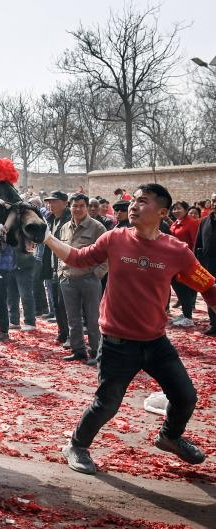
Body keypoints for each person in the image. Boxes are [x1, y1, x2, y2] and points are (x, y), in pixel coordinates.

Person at [43, 184, 216, 475]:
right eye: (133, 200)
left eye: (142, 201)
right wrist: (47, 237)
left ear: (162, 212)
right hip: (117, 344)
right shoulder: (114, 238)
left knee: (185, 396)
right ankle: (76, 445)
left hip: (156, 342)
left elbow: (208, 286)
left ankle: (169, 436)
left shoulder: (177, 251)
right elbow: (78, 258)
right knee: (107, 404)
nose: (133, 206)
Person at [56, 193, 106, 364]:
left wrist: (97, 273)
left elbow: (108, 255)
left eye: (81, 206)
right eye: (74, 206)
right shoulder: (64, 227)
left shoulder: (97, 227)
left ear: (87, 207)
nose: (78, 209)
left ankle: (95, 352)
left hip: (89, 279)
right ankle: (78, 350)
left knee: (92, 318)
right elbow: (60, 251)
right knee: (73, 318)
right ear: (69, 207)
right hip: (67, 279)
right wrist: (60, 272)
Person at [43, 191, 72, 344]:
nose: (50, 205)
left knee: (66, 304)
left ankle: (71, 336)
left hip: (66, 268)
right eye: (49, 202)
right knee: (56, 304)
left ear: (65, 203)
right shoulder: (50, 219)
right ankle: (62, 332)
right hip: (53, 267)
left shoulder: (70, 219)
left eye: (54, 201)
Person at [169, 201, 200, 327]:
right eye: (174, 209)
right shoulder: (176, 222)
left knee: (184, 288)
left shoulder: (192, 223)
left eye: (179, 208)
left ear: (186, 209)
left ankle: (188, 317)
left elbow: (196, 243)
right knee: (178, 287)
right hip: (174, 261)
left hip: (186, 262)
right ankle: (185, 313)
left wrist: (193, 262)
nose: (175, 211)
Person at [196, 200, 216, 335]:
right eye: (213, 200)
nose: (214, 203)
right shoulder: (204, 221)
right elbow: (198, 244)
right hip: (209, 266)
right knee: (211, 295)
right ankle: (214, 324)